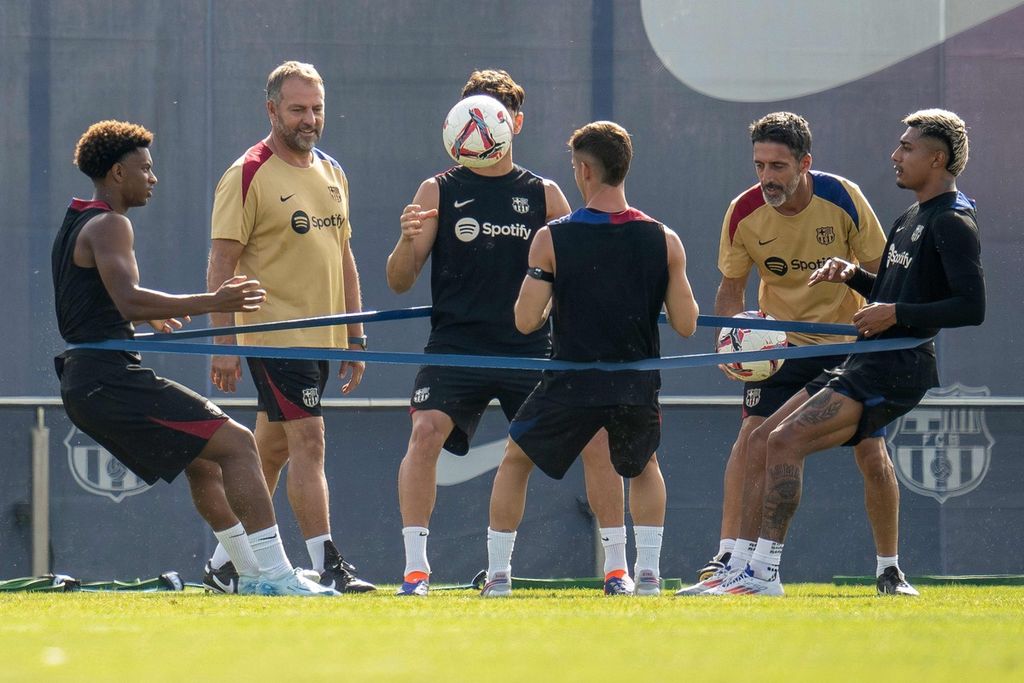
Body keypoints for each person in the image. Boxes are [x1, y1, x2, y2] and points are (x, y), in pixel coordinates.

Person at [387, 70, 655, 596]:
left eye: (493, 114)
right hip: (456, 345)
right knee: (424, 435)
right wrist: (406, 240)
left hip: (531, 349)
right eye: (471, 112)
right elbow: (399, 281)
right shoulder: (436, 188)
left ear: (515, 123)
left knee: (598, 442)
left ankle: (618, 570)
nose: (480, 124)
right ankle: (415, 572)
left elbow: (582, 265)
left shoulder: (545, 193)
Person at [52, 120, 335, 596]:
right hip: (108, 379)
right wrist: (214, 302)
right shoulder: (111, 224)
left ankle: (247, 576)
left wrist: (143, 319)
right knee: (241, 444)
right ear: (118, 173)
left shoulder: (78, 219)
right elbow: (130, 300)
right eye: (145, 168)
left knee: (203, 463)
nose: (153, 177)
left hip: (87, 383)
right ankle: (279, 576)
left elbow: (95, 301)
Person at [713, 109, 985, 596]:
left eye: (907, 148)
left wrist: (894, 313)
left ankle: (775, 573)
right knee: (763, 440)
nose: (895, 155)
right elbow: (890, 284)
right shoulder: (912, 216)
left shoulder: (952, 220)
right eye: (760, 165)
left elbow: (972, 306)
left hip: (889, 363)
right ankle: (740, 565)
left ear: (937, 158)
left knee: (797, 444)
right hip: (858, 357)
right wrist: (853, 276)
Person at [679, 111, 907, 595]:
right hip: (778, 347)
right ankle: (731, 561)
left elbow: (883, 274)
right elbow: (731, 287)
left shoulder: (842, 198)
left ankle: (889, 569)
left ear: (805, 162)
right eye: (760, 165)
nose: (767, 177)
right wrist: (731, 345)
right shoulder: (743, 211)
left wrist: (876, 332)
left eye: (778, 166)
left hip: (848, 346)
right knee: (750, 441)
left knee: (871, 452)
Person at [481, 120, 700, 598]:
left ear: (584, 171)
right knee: (644, 467)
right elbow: (685, 323)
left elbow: (524, 321)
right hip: (634, 382)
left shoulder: (552, 239)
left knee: (515, 459)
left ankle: (498, 577)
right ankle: (648, 575)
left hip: (571, 381)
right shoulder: (665, 240)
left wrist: (555, 295)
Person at [204, 61, 374, 593]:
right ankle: (328, 564)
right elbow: (220, 265)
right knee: (309, 440)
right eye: (298, 108)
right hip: (274, 335)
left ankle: (226, 563)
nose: (310, 119)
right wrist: (225, 342)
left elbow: (344, 257)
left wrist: (354, 335)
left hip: (321, 338)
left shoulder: (331, 170)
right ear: (271, 108)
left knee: (270, 451)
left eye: (317, 108)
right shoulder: (247, 172)